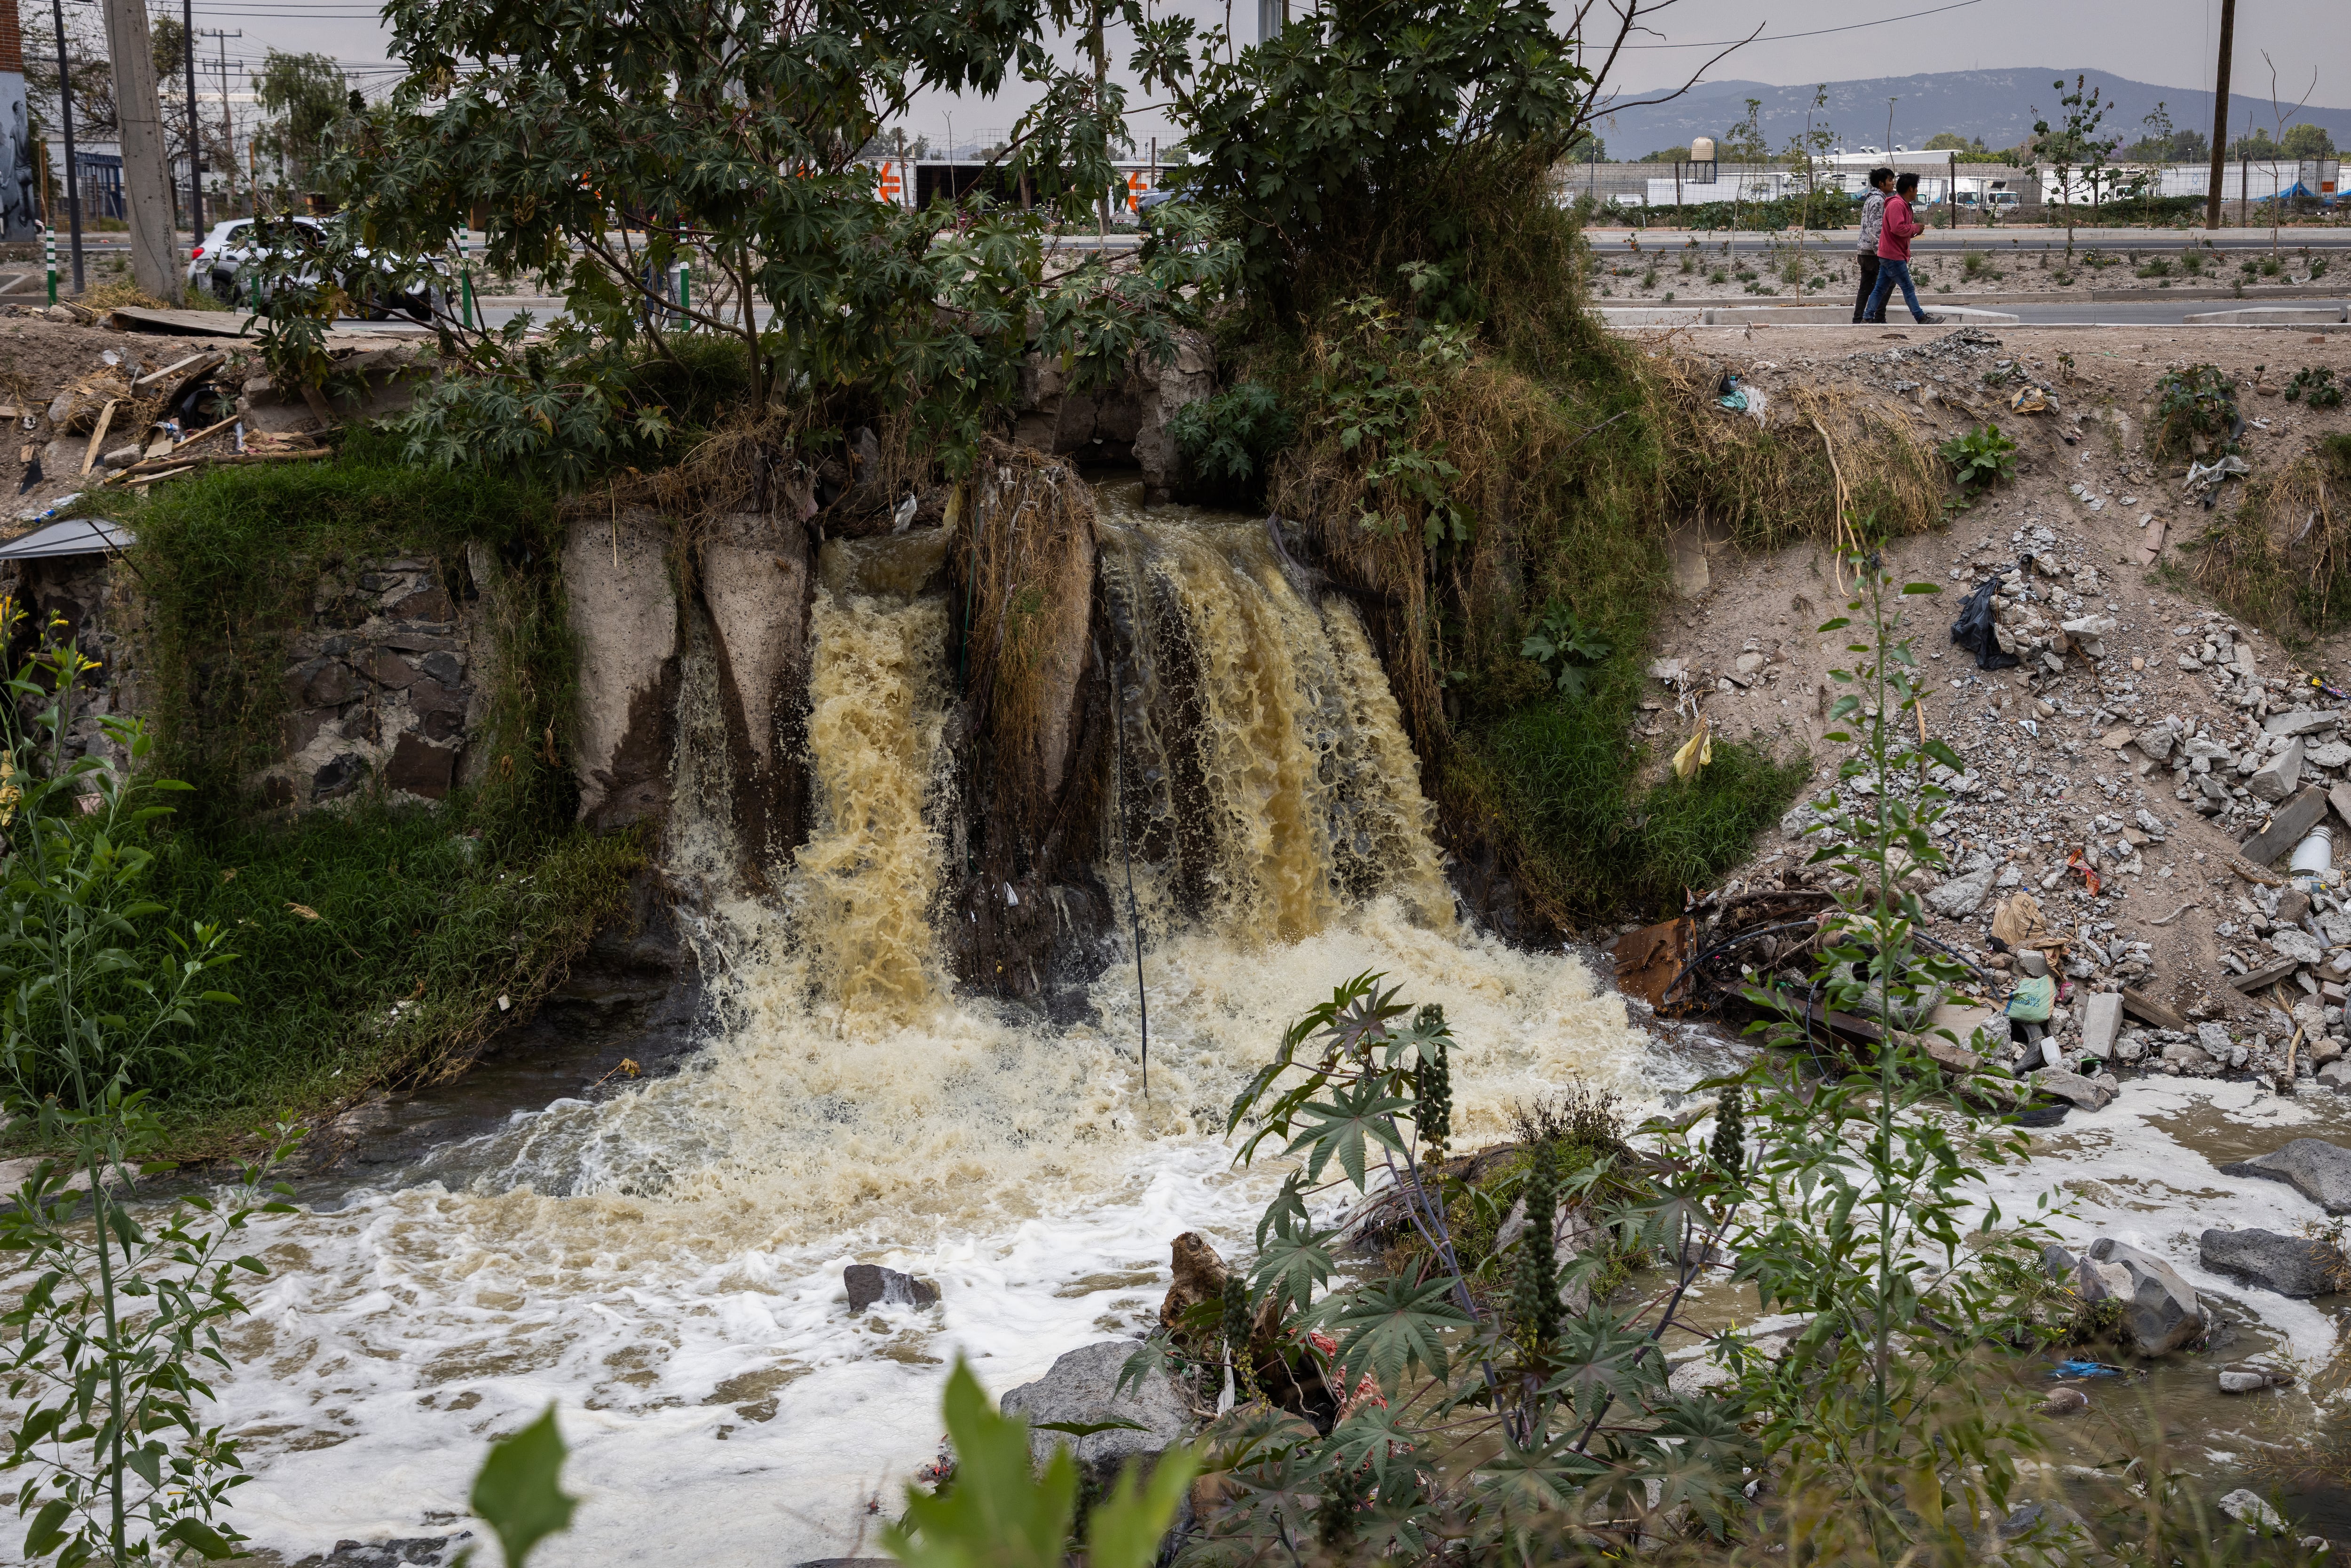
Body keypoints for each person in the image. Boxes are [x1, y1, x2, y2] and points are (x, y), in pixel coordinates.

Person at [1862, 171, 1946, 326]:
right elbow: (1898, 228)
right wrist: (1915, 228)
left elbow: (1900, 232)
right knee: (1908, 287)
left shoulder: (1903, 205)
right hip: (1893, 255)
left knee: (1880, 288)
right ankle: (1921, 318)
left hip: (1890, 253)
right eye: (1916, 188)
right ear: (1910, 189)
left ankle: (1867, 317)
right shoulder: (1897, 205)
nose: (1917, 192)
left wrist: (1914, 231)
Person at [1853, 166, 1893, 323]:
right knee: (1887, 282)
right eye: (1890, 180)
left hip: (1865, 250)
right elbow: (1876, 229)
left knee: (1868, 287)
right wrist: (1881, 252)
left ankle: (1860, 319)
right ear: (1881, 184)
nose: (1893, 183)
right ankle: (1877, 317)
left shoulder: (1872, 198)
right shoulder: (1878, 201)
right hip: (1872, 252)